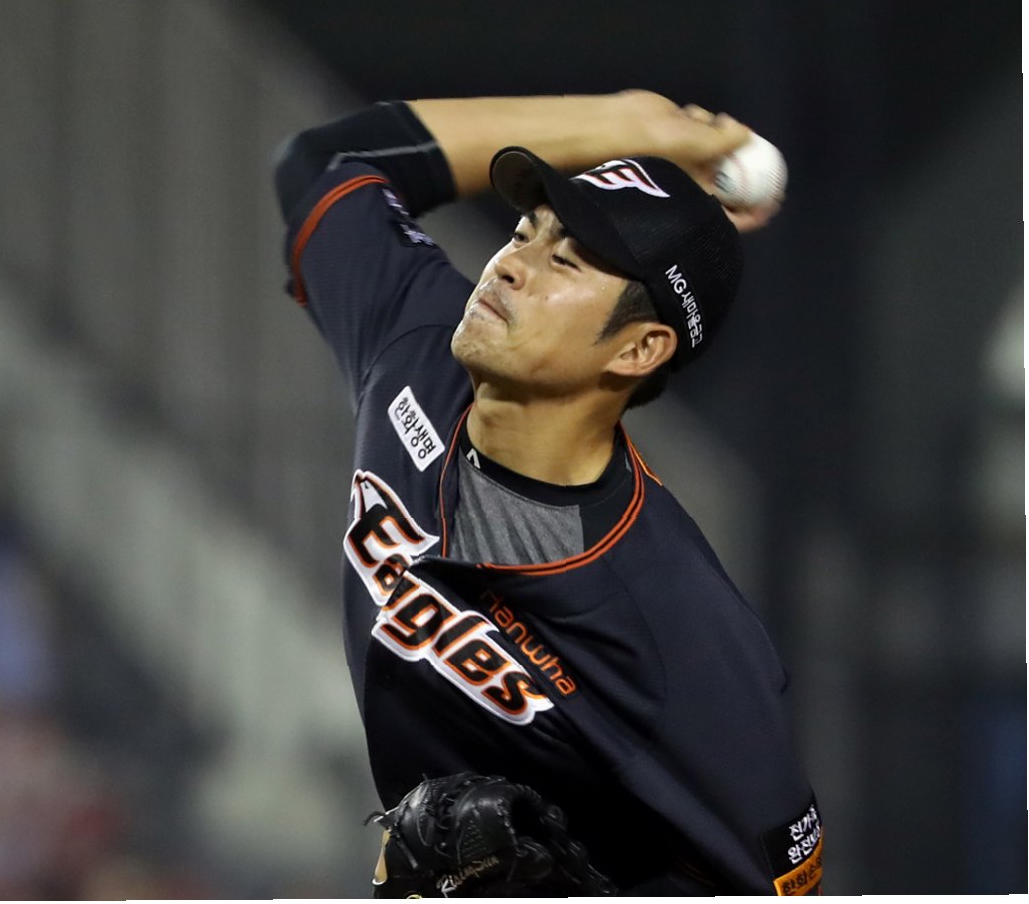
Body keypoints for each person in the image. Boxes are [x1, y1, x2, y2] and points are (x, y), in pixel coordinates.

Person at [272, 91, 822, 896]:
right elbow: (322, 168)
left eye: (564, 260)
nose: (508, 264)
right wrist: (616, 126)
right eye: (523, 230)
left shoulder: (675, 627)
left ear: (638, 349)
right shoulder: (417, 350)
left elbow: (785, 886)